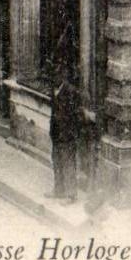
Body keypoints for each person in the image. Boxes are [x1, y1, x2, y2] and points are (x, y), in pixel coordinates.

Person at [49, 71, 83, 202]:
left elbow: (76, 115)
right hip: (56, 133)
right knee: (57, 161)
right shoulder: (54, 90)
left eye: (55, 76)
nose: (53, 79)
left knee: (68, 163)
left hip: (67, 134)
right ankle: (59, 190)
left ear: (62, 77)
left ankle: (71, 195)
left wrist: (72, 132)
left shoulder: (70, 92)